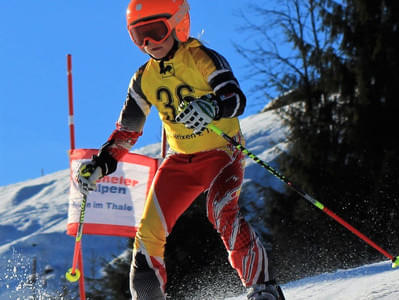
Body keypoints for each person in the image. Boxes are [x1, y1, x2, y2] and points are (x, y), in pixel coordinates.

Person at [76, 0, 285, 299]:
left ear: (177, 24)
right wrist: (102, 163)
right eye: (139, 36)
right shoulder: (143, 78)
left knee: (220, 211)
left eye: (156, 32)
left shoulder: (202, 58)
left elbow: (236, 98)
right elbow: (127, 131)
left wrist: (212, 105)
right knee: (148, 233)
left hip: (222, 154)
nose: (149, 43)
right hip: (179, 163)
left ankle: (264, 288)